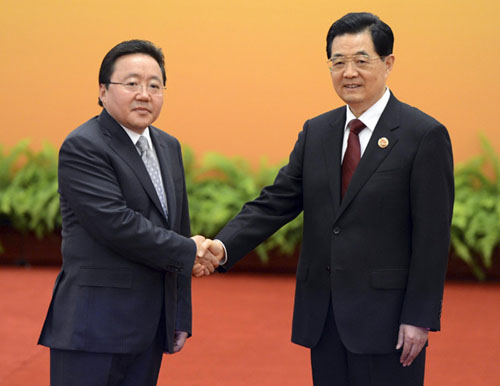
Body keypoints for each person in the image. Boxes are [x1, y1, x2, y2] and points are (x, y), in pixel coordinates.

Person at [196, 12, 454, 386]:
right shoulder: (318, 131)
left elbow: (433, 237)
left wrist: (419, 316)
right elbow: (277, 201)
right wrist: (221, 247)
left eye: (361, 60)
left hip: (389, 319)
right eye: (338, 62)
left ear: (388, 63)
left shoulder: (423, 135)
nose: (349, 72)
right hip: (326, 315)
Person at [38, 39, 219, 386]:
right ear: (103, 91)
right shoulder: (84, 145)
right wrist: (189, 250)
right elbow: (116, 224)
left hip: (148, 331)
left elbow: (179, 227)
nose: (144, 94)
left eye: (155, 85)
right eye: (131, 83)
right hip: (93, 329)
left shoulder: (168, 146)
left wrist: (179, 315)